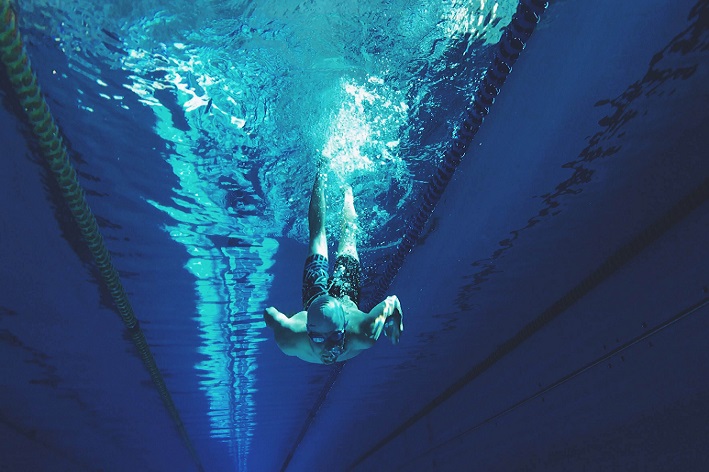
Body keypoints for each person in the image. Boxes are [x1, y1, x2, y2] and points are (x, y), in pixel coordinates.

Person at [263, 170, 403, 364]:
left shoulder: (363, 332)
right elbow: (270, 314)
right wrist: (394, 317)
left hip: (331, 297)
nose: (328, 347)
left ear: (345, 327)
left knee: (332, 237)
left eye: (336, 337)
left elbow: (392, 303)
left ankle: (347, 189)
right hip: (331, 296)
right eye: (319, 338)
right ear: (308, 330)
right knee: (334, 238)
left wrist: (396, 317)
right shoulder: (292, 338)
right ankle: (321, 172)